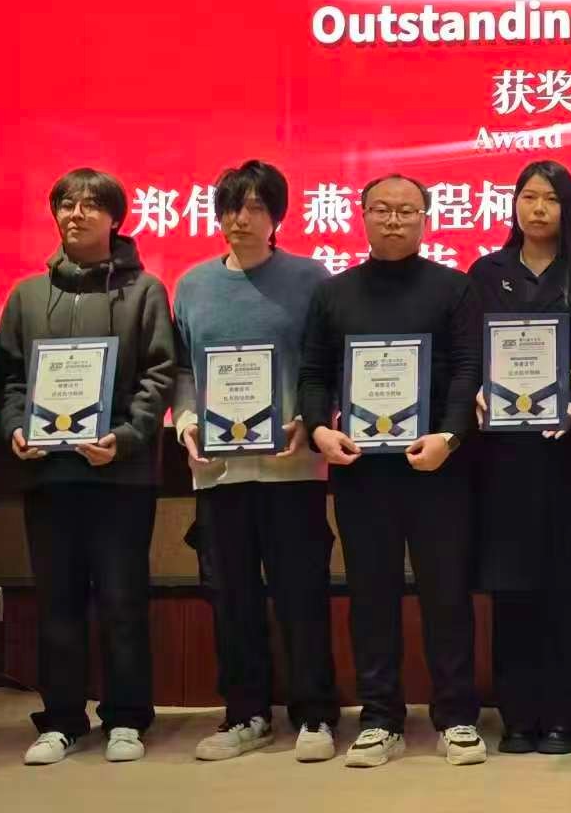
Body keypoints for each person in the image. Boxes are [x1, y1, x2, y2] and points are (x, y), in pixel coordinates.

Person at [299, 174, 487, 768]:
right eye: (381, 209)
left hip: (437, 466)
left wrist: (450, 437)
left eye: (407, 210)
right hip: (361, 469)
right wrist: (319, 428)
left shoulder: (454, 288)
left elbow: (468, 369)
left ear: (426, 217)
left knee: (446, 594)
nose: (394, 220)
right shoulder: (334, 293)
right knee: (371, 595)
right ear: (361, 216)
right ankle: (380, 719)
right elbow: (314, 373)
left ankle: (457, 716)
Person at [0, 167, 179, 767]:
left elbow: (159, 374)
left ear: (115, 218)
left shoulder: (145, 291)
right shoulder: (26, 295)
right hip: (49, 476)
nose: (77, 214)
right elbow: (10, 379)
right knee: (58, 604)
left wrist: (126, 438)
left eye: (91, 205)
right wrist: (15, 426)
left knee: (123, 601)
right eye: (66, 204)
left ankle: (127, 718)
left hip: (121, 474)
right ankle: (63, 720)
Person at [170, 161, 340, 764]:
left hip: (292, 467)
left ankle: (314, 713)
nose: (240, 219)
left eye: (255, 208)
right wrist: (186, 423)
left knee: (301, 593)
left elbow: (327, 364)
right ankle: (245, 713)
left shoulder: (311, 278)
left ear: (277, 217)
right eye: (230, 207)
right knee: (231, 598)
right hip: (219, 473)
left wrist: (312, 421)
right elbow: (183, 370)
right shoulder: (191, 285)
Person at [464, 160, 571, 755]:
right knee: (513, 585)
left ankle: (564, 713)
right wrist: (475, 389)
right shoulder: (487, 272)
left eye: (550, 198)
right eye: (528, 196)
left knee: (567, 584)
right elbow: (468, 354)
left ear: (568, 207)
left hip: (569, 453)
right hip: (503, 457)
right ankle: (518, 714)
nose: (538, 208)